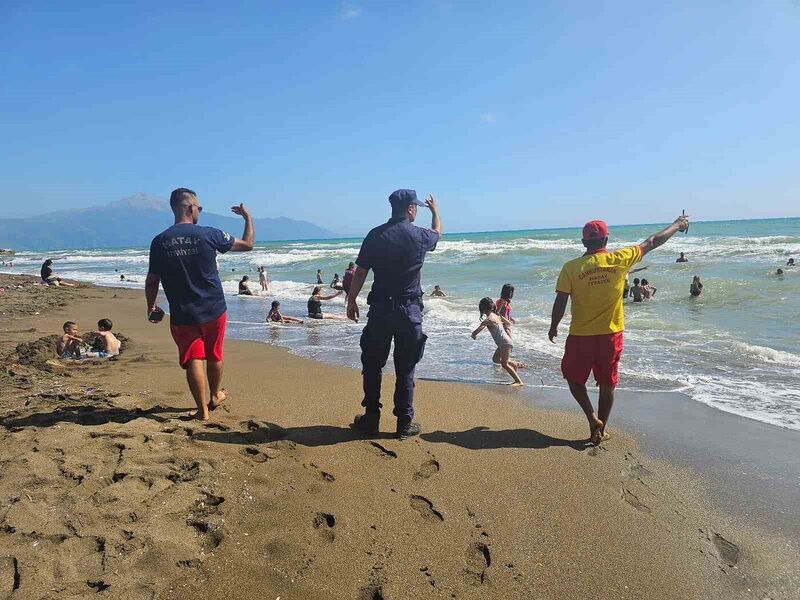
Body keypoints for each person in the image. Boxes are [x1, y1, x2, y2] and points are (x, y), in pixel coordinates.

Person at [548, 215, 689, 444]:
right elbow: (652, 241)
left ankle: (592, 419)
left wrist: (554, 326)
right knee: (607, 383)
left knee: (574, 380)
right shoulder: (620, 258)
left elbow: (561, 302)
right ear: (607, 239)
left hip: (580, 335)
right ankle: (599, 431)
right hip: (611, 335)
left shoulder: (571, 268)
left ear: (584, 243)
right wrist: (678, 225)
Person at [145, 188, 254, 421]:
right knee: (214, 355)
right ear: (189, 207)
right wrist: (247, 218)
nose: (200, 211)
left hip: (183, 312)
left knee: (194, 357)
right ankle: (214, 395)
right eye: (199, 207)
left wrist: (151, 306)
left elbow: (152, 279)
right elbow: (247, 244)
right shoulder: (208, 234)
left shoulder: (160, 241)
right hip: (213, 308)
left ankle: (201, 410)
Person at [347, 189, 443, 439]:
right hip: (409, 310)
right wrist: (435, 211)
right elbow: (437, 233)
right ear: (411, 209)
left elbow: (360, 272)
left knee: (372, 363)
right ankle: (403, 422)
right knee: (406, 367)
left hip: (380, 310)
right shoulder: (420, 235)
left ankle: (371, 417)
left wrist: (351, 300)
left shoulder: (375, 235)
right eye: (418, 208)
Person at [472, 297, 522, 385]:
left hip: (504, 343)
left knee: (504, 364)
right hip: (505, 342)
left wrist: (473, 334)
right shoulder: (496, 316)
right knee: (495, 359)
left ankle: (519, 381)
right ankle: (514, 364)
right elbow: (509, 323)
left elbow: (478, 330)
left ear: (482, 309)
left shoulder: (488, 320)